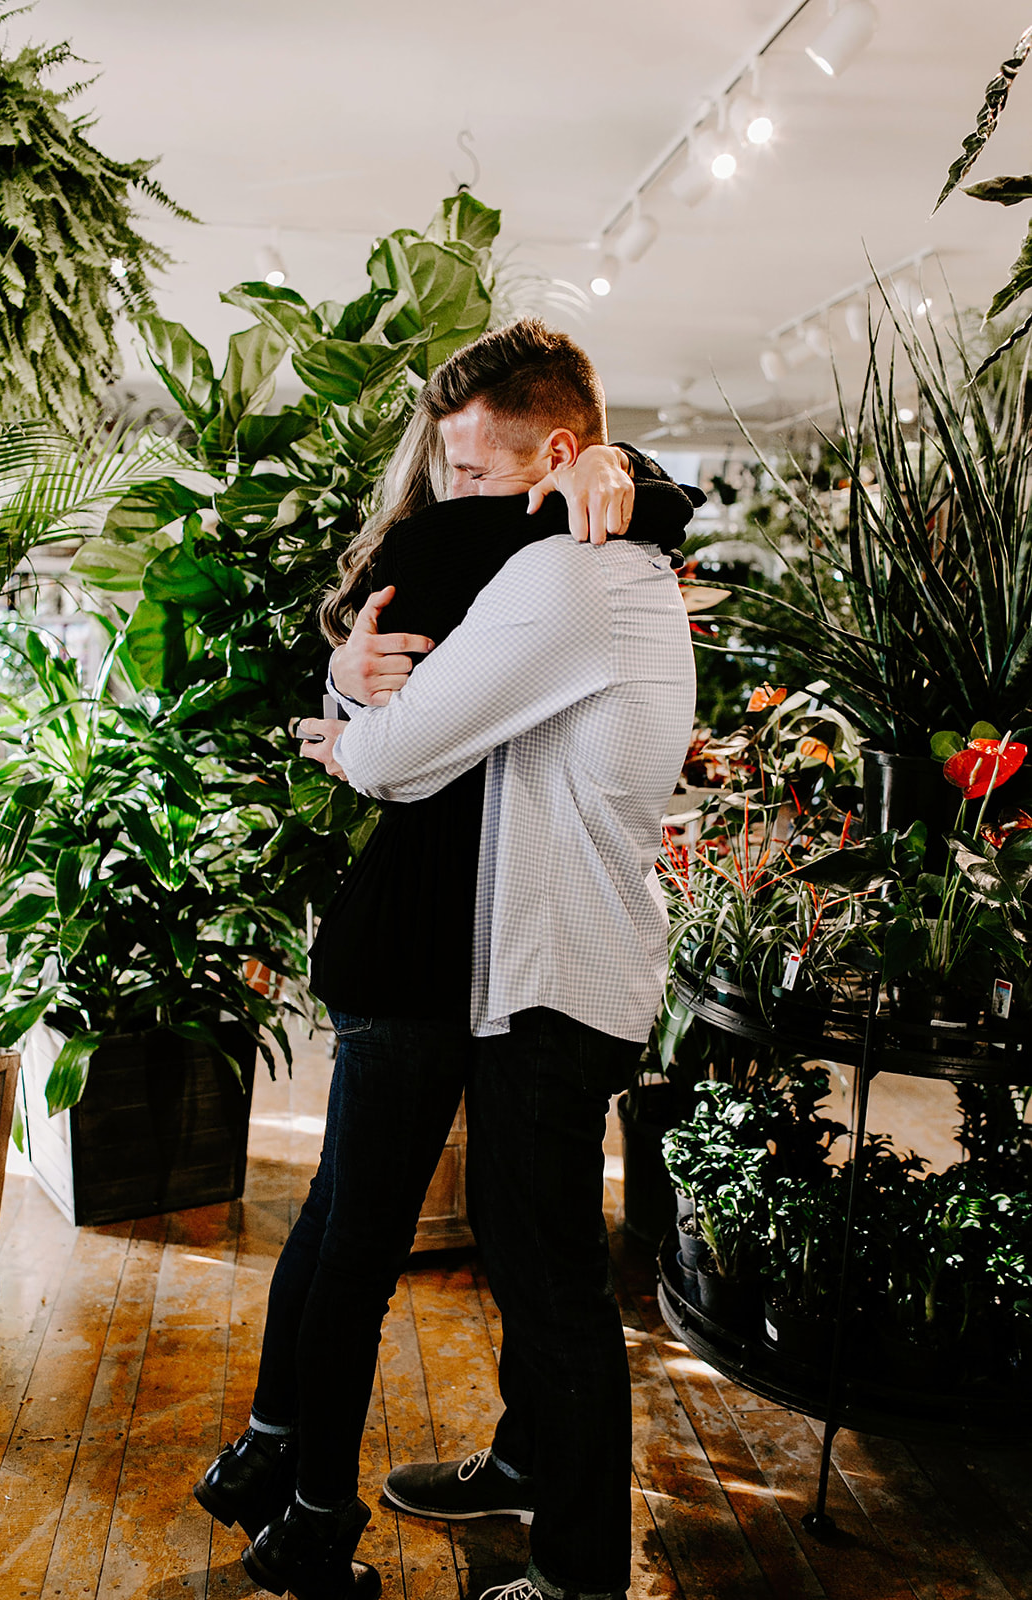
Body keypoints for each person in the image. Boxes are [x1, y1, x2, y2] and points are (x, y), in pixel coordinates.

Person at [192, 319, 699, 1600]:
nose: (448, 499)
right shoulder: (576, 550)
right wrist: (350, 675)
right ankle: (521, 1466)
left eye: (475, 475)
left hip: (551, 973)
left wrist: (352, 724)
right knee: (512, 1260)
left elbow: (397, 759)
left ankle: (580, 1574)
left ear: (560, 459)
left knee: (544, 1282)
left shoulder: (562, 571)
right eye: (446, 473)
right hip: (535, 960)